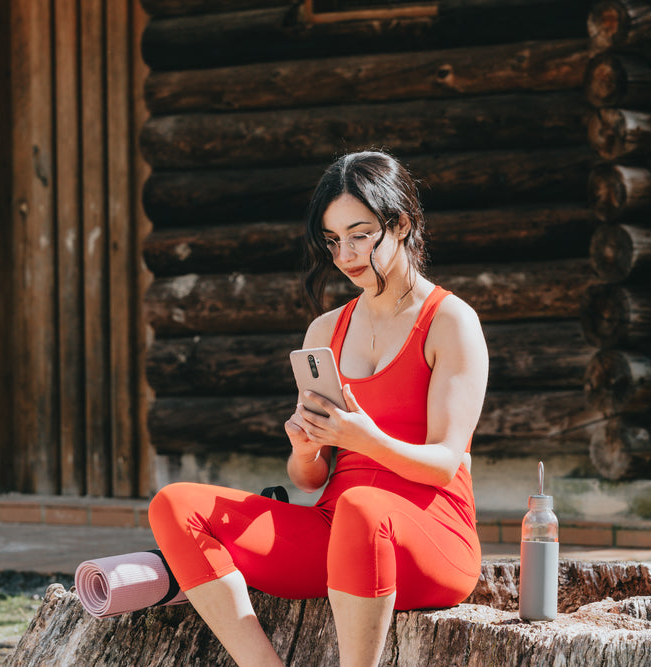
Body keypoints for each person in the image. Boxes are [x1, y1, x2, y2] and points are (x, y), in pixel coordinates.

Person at [147, 151, 489, 667]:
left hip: (433, 538)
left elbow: (445, 464)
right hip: (338, 536)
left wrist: (364, 439)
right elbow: (310, 481)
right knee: (174, 504)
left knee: (362, 508)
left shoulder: (451, 321)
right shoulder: (325, 331)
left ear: (400, 225)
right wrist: (305, 449)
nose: (345, 254)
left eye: (360, 234)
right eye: (332, 240)